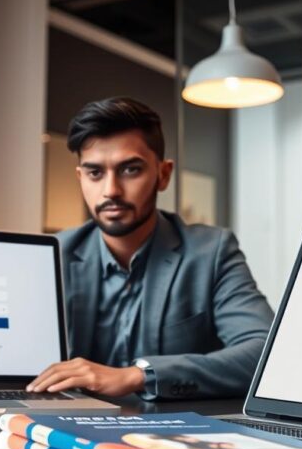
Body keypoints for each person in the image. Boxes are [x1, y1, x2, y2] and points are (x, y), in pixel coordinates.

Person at [27, 96, 274, 400]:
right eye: (95, 173)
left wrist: (139, 376)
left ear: (163, 174)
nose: (111, 190)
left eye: (130, 170)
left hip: (176, 433)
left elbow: (265, 352)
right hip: (69, 425)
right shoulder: (54, 255)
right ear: (81, 178)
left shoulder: (211, 252)